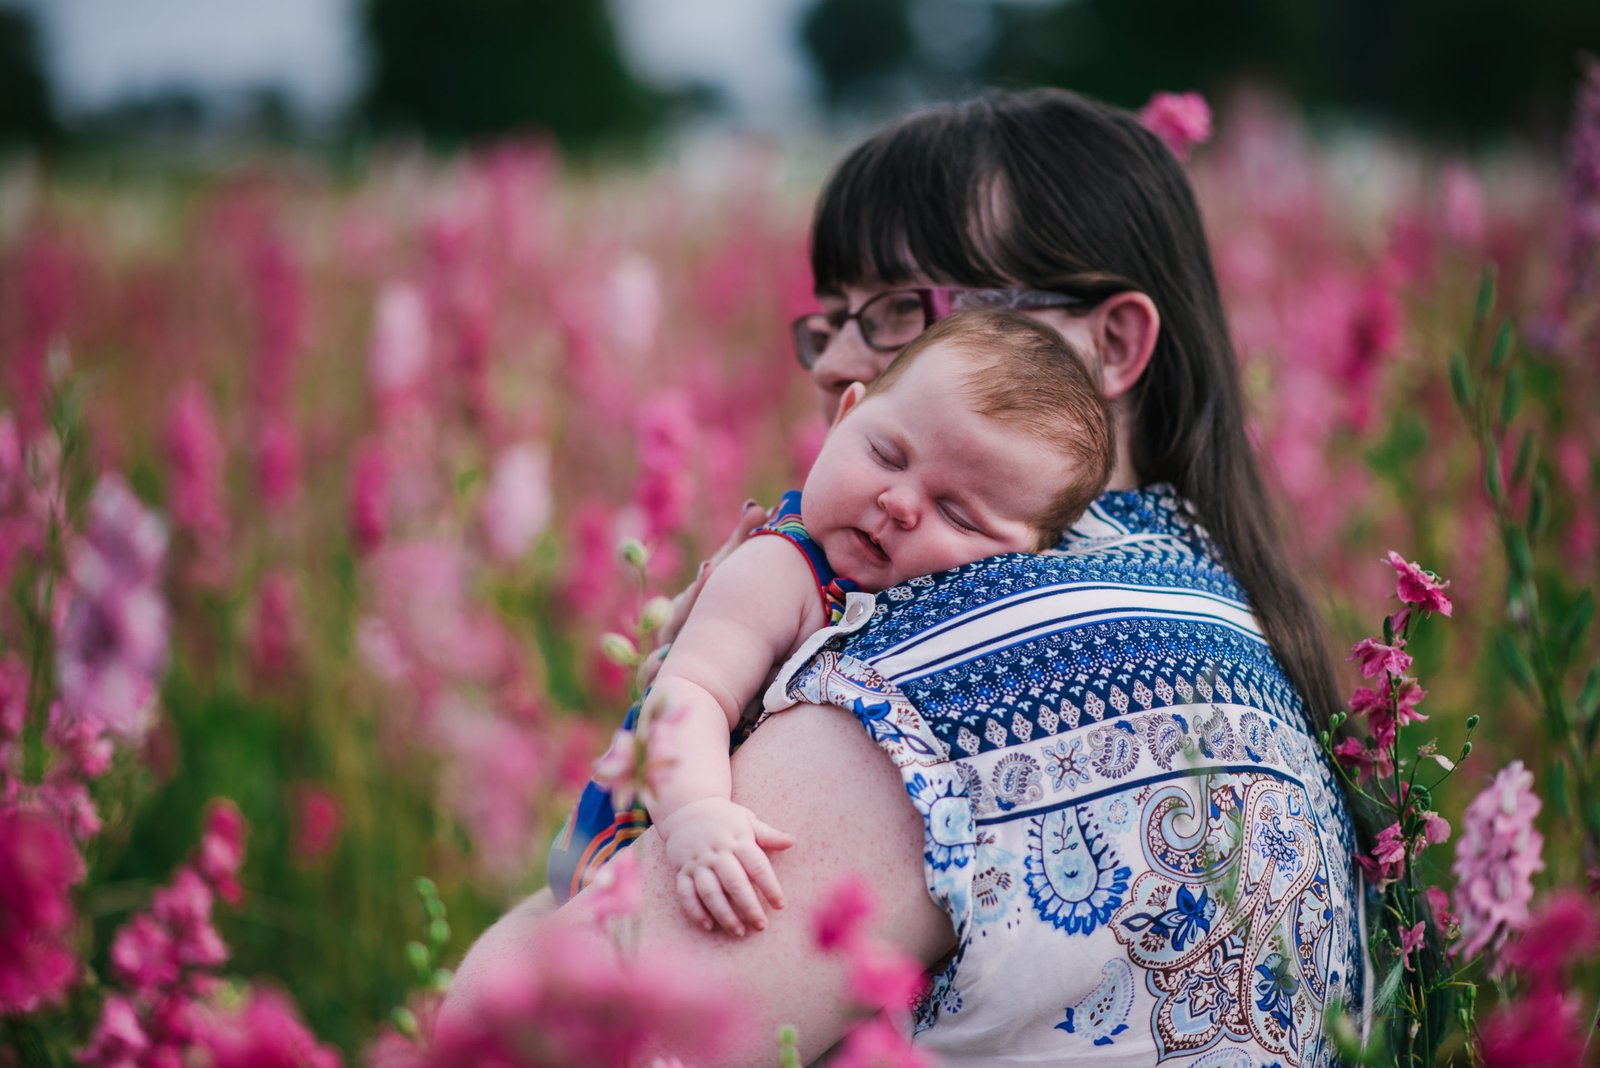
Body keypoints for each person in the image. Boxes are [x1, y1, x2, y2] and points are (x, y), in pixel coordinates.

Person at [448, 87, 1365, 1068]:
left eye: (898, 311)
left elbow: (533, 1040)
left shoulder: (951, 682)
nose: (836, 360)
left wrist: (523, 929)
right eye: (833, 319)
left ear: (1110, 345)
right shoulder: (1227, 622)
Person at [547, 309, 1115, 939]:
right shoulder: (781, 570)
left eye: (958, 515)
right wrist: (696, 816)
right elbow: (688, 695)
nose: (898, 504)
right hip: (638, 840)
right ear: (845, 416)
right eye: (886, 454)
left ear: (1026, 564)